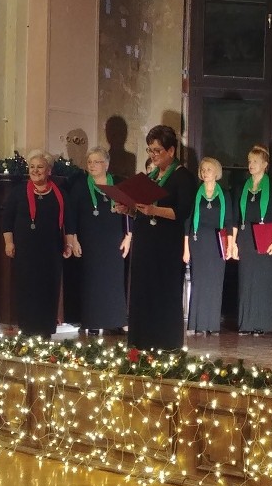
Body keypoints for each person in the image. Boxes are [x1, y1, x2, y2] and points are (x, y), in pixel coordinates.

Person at [120, 125, 194, 350]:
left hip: (165, 245)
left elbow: (182, 212)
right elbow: (142, 208)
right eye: (150, 150)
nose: (152, 155)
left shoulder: (183, 177)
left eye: (157, 151)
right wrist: (129, 209)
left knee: (164, 292)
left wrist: (154, 210)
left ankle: (166, 345)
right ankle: (141, 342)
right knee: (143, 291)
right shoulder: (150, 176)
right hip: (145, 243)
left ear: (171, 151)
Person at [2, 149, 73, 338]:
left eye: (40, 167)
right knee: (28, 288)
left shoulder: (60, 194)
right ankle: (27, 329)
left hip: (51, 251)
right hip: (25, 251)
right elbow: (7, 220)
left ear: (48, 170)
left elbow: (69, 221)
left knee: (48, 289)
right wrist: (9, 243)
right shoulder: (18, 193)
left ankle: (46, 330)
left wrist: (70, 245)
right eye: (32, 167)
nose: (35, 170)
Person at [66, 146, 130, 335]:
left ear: (107, 164)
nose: (92, 165)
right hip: (89, 240)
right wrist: (74, 239)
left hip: (114, 240)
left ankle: (116, 320)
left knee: (114, 281)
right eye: (90, 162)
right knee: (92, 280)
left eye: (97, 162)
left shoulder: (118, 184)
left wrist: (129, 236)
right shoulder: (79, 186)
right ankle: (92, 321)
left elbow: (129, 211)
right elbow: (71, 214)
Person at [233, 145, 272, 336]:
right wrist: (234, 243)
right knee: (246, 281)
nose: (251, 164)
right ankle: (245, 323)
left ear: (265, 165)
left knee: (263, 281)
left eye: (255, 161)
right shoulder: (242, 187)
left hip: (266, 237)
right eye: (249, 161)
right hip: (246, 237)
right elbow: (237, 218)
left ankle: (261, 324)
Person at [184, 157, 234, 336]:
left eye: (209, 169)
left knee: (214, 283)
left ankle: (211, 325)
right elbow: (188, 221)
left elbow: (229, 220)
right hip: (198, 241)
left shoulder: (225, 195)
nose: (205, 172)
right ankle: (196, 324)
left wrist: (231, 244)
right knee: (199, 282)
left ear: (217, 173)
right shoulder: (195, 193)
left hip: (218, 242)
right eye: (203, 169)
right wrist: (186, 248)